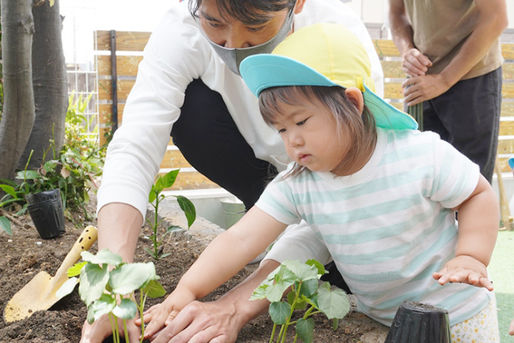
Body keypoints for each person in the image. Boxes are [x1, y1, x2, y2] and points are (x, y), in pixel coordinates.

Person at [141, 23, 501, 342]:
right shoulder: (301, 182)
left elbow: (477, 194)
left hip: (460, 316)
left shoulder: (418, 156)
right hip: (384, 321)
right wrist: (183, 292)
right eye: (281, 128)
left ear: (352, 103)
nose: (291, 140)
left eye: (301, 122)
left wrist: (471, 256)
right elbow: (240, 239)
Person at [81, 0, 384, 342]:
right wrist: (113, 285)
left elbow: (343, 196)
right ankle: (268, 221)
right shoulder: (181, 30)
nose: (233, 46)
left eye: (255, 28)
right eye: (214, 24)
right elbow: (135, 146)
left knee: (339, 275)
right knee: (193, 113)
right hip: (275, 180)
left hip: (347, 205)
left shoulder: (339, 46)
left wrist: (236, 305)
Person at [388, 0, 508, 184]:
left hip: (472, 77)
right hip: (421, 78)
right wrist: (407, 50)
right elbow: (397, 12)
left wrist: (444, 79)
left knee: (469, 188)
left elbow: (496, 18)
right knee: (422, 182)